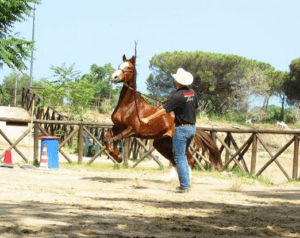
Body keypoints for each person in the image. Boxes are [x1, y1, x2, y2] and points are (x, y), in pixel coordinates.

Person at [141, 68, 199, 193]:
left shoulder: (177, 95)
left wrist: (148, 118)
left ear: (178, 82)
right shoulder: (192, 93)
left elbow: (163, 110)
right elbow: (194, 106)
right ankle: (186, 184)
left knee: (179, 157)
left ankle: (184, 186)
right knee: (182, 156)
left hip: (182, 128)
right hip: (192, 128)